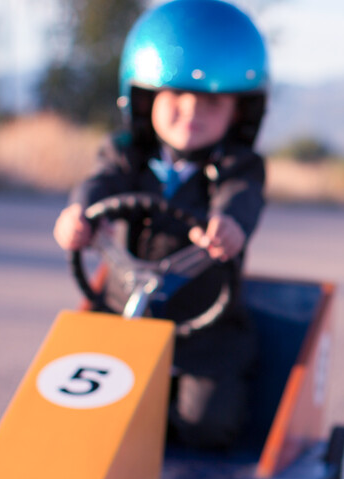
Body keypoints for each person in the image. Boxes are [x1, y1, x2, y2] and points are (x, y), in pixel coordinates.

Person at [52, 0, 268, 449]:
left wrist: (228, 225)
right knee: (80, 407)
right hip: (120, 314)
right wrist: (78, 215)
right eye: (175, 95)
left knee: (206, 423)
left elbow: (241, 199)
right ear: (146, 97)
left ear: (239, 111)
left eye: (211, 99)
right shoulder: (124, 152)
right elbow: (100, 183)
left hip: (205, 326)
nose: (192, 110)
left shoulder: (238, 165)